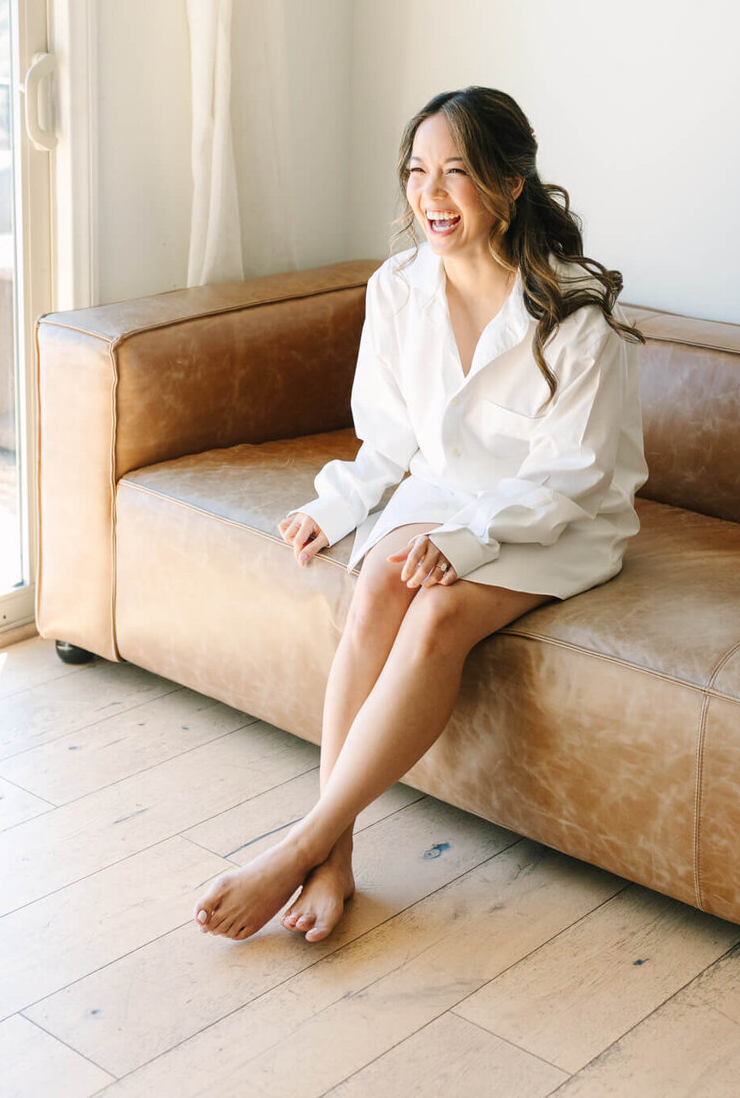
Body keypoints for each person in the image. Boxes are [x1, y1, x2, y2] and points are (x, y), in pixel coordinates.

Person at [193, 85, 648, 943]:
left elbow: (573, 477)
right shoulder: (398, 288)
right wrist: (338, 508)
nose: (430, 196)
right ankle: (334, 855)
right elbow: (392, 437)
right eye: (417, 173)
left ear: (511, 185)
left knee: (436, 617)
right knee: (374, 590)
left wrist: (469, 541)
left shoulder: (575, 312)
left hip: (558, 520)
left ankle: (299, 846)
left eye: (456, 174)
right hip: (443, 491)